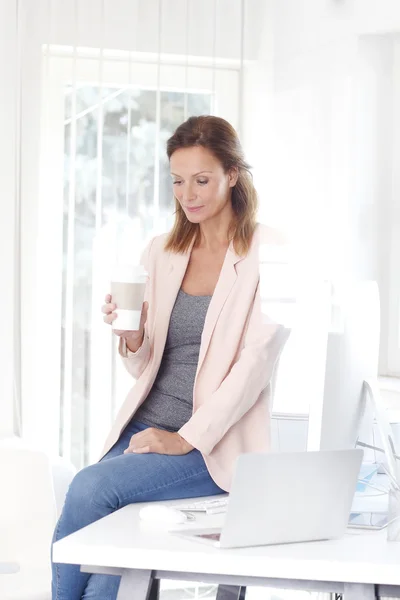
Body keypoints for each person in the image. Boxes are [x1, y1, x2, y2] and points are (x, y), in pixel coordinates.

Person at [51, 115, 289, 600]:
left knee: (89, 489)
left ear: (233, 175)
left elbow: (253, 366)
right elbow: (145, 365)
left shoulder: (271, 253)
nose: (189, 195)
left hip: (210, 443)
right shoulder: (162, 250)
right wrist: (134, 335)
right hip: (147, 428)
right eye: (178, 182)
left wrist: (185, 439)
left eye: (202, 180)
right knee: (106, 573)